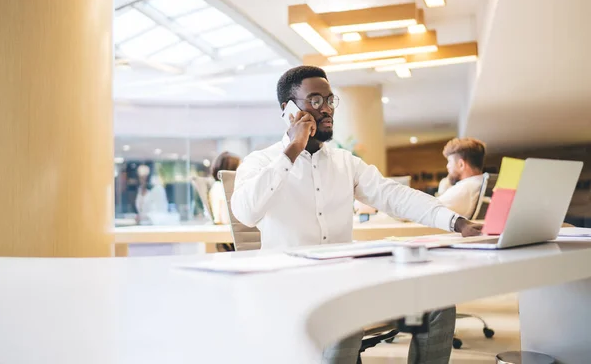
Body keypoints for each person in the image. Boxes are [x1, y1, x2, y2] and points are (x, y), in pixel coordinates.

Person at [231, 66, 482, 364]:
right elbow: (245, 213)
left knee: (438, 305)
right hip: (288, 289)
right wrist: (292, 150)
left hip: (344, 282)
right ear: (288, 110)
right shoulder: (260, 162)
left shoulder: (344, 162)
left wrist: (456, 221)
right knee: (344, 315)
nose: (326, 109)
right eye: (314, 101)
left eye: (329, 100)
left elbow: (394, 196)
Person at [438, 138, 487, 219]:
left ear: (461, 164)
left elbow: (429, 210)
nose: (447, 166)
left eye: (449, 161)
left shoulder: (466, 188)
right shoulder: (484, 183)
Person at [209, 151, 241, 225]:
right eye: (239, 168)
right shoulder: (220, 188)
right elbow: (226, 219)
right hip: (226, 229)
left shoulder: (218, 186)